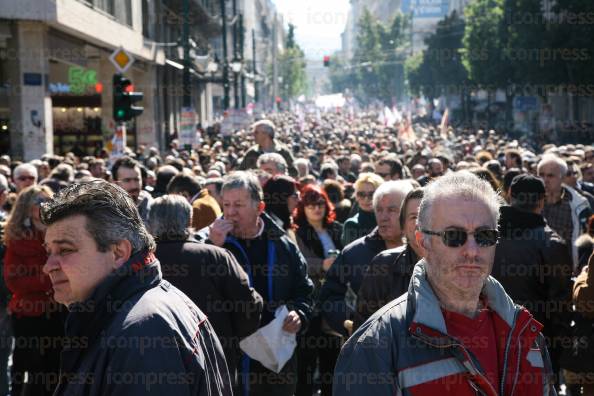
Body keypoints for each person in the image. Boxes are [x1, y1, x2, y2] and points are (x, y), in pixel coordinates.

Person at [333, 171, 555, 395]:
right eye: (454, 236)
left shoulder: (525, 331)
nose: (471, 251)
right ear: (423, 241)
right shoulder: (376, 344)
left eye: (484, 235)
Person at [41, 181, 232, 395]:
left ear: (118, 253)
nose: (48, 266)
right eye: (49, 251)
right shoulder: (136, 314)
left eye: (65, 250)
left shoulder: (142, 335)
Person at [206, 171, 313, 396]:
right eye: (226, 204)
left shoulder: (283, 245)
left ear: (260, 208)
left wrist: (299, 314)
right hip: (232, 357)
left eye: (239, 205)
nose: (231, 212)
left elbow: (304, 290)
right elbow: (200, 292)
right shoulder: (211, 242)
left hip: (276, 356)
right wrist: (213, 247)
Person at [149, 194, 263, 386]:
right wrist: (234, 344)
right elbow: (249, 306)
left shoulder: (140, 261)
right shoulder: (216, 257)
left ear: (150, 223)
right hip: (215, 365)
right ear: (189, 220)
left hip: (155, 368)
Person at [492, 174, 572, 386]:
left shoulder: (485, 236)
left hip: (487, 344)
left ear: (510, 195)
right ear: (542, 201)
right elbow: (560, 307)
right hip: (534, 349)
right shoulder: (551, 243)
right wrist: (556, 356)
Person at [320, 180, 413, 338]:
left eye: (392, 210)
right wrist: (350, 322)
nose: (383, 217)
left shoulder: (426, 250)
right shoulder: (353, 253)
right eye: (379, 210)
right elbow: (330, 295)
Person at [3, 186, 64, 396]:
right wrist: (48, 282)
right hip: (28, 314)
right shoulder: (18, 239)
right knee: (30, 365)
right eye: (40, 202)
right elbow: (14, 281)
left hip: (58, 311)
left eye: (49, 201)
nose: (46, 206)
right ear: (27, 209)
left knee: (55, 365)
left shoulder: (60, 234)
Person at [293, 185, 344, 396]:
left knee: (332, 356)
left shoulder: (336, 228)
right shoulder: (298, 233)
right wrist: (322, 264)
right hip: (311, 301)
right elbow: (299, 262)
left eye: (320, 203)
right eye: (311, 204)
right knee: (306, 357)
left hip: (334, 299)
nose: (316, 208)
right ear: (303, 207)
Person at [353, 188, 424, 331]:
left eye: (428, 215)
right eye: (413, 217)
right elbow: (364, 329)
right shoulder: (384, 265)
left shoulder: (460, 263)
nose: (421, 223)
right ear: (403, 227)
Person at [538, 154, 592, 273]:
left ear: (562, 178)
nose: (545, 180)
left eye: (550, 176)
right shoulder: (529, 202)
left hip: (567, 271)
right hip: (535, 270)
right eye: (541, 175)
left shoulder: (579, 205)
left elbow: (587, 240)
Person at [341, 173, 384, 246]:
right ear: (356, 196)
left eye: (372, 194)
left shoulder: (390, 219)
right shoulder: (352, 224)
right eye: (361, 194)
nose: (366, 199)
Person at [111, 156, 153, 224]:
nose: (133, 186)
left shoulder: (151, 206)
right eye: (127, 180)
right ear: (115, 184)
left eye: (137, 180)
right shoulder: (107, 211)